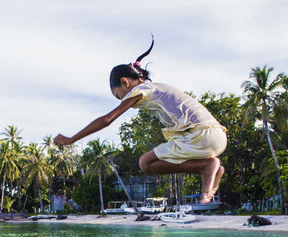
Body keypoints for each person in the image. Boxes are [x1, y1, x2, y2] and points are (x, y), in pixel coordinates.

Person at [53, 39, 227, 203]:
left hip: (200, 136)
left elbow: (107, 119)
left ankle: (205, 166)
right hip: (218, 137)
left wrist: (71, 139)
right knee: (154, 159)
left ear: (125, 82)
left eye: (117, 95)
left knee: (146, 163)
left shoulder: (142, 90)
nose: (120, 98)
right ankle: (211, 171)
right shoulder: (156, 87)